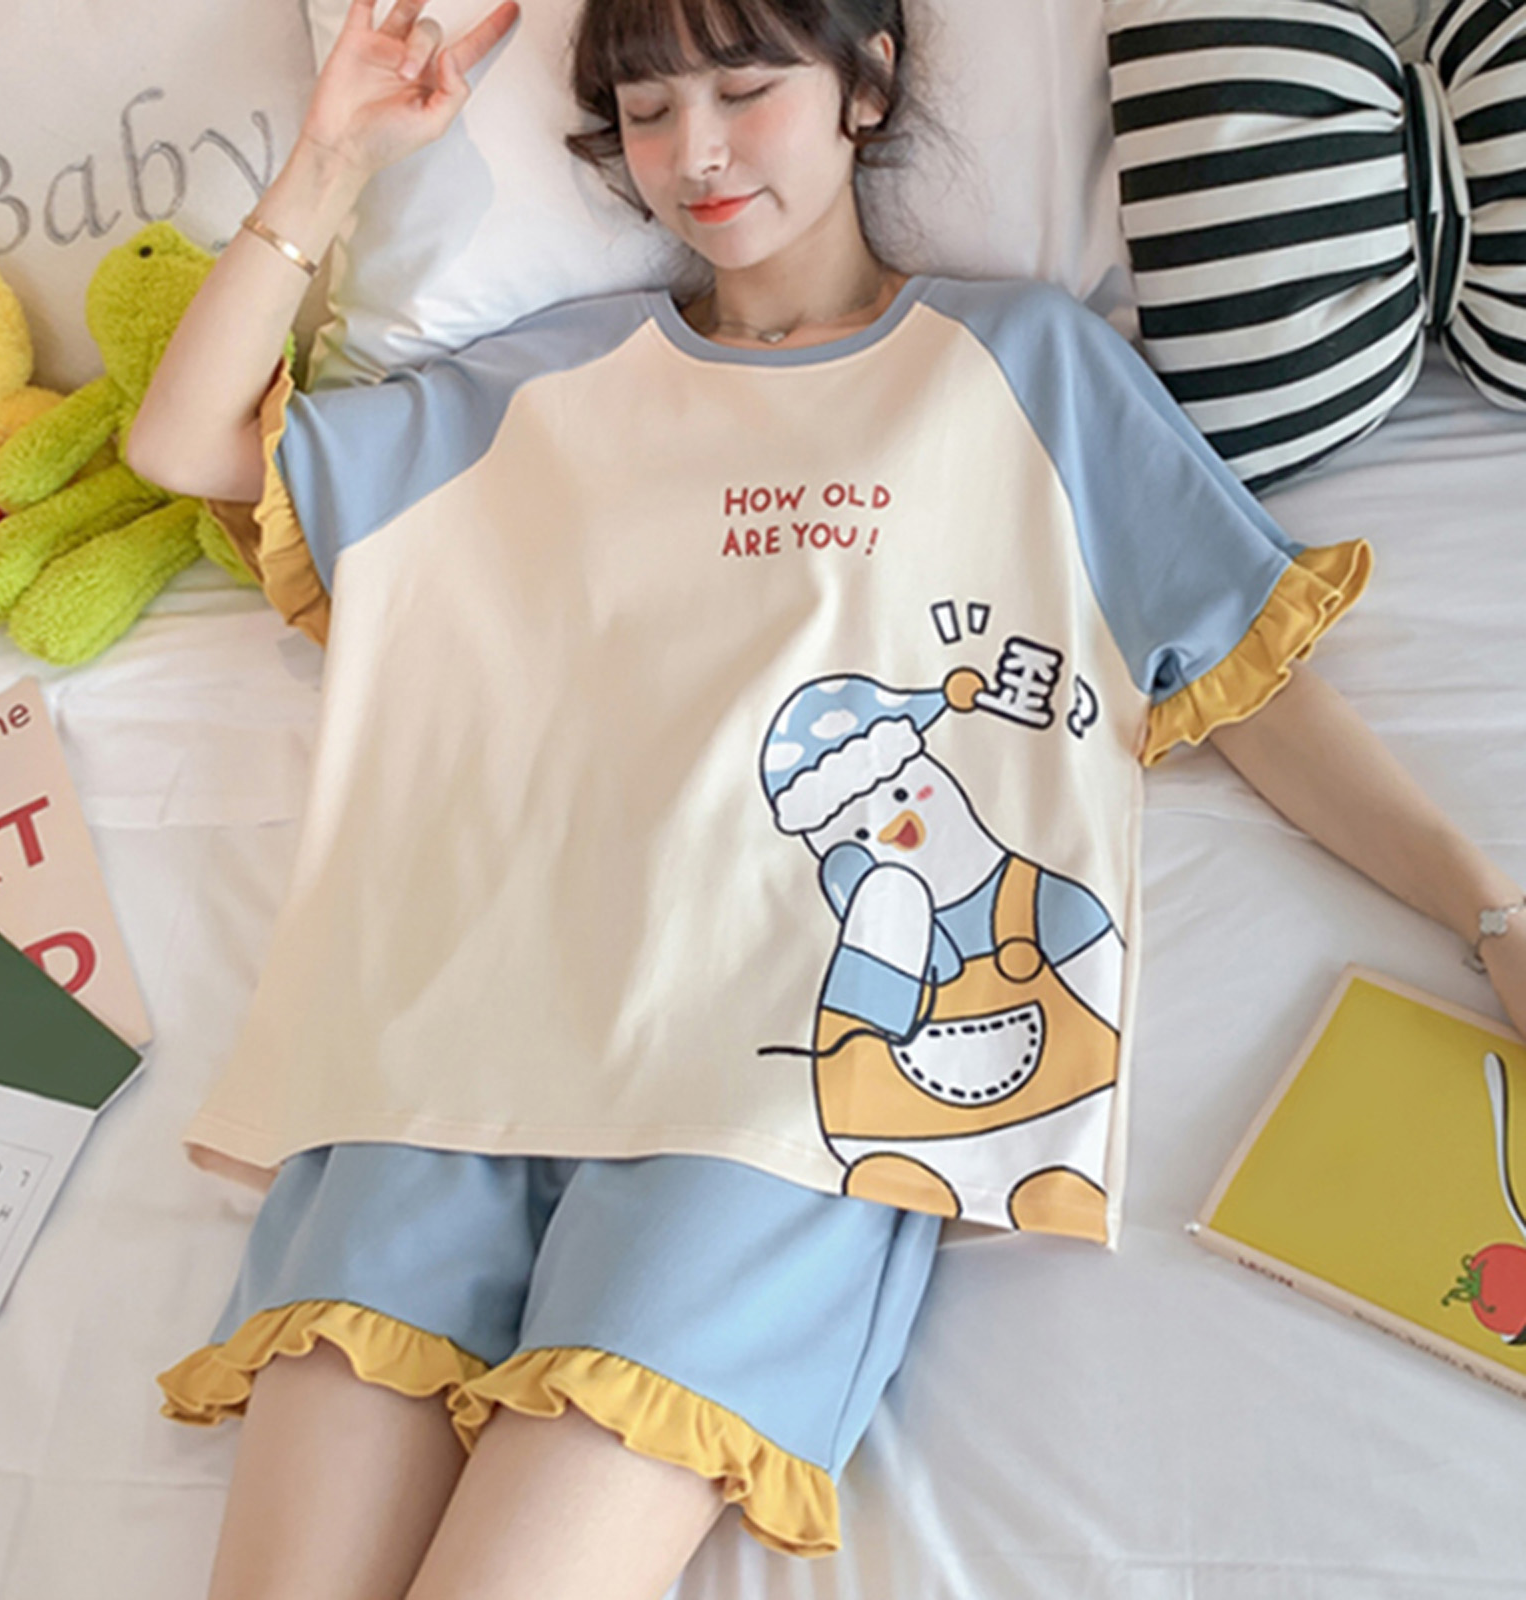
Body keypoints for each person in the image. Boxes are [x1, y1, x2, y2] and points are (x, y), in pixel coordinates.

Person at [129, 1, 1526, 1597]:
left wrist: (1490, 913)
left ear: (866, 82)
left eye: (745, 89)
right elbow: (183, 443)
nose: (696, 153)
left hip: (771, 1116)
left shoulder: (1030, 367)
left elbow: (1253, 687)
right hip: (444, 1060)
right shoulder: (531, 385)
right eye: (649, 110)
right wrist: (333, 160)